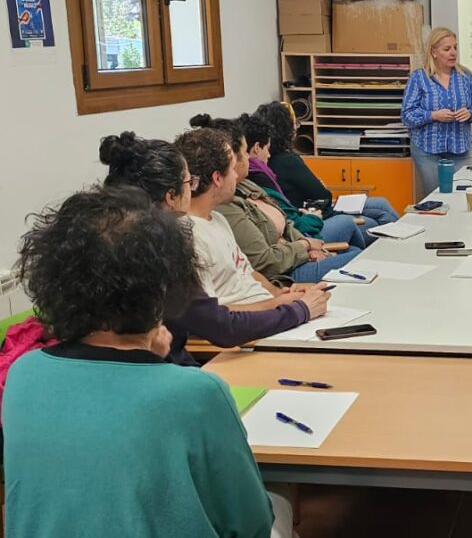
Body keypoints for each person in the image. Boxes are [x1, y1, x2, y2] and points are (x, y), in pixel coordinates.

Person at [2, 186, 285, 536]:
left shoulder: (23, 374)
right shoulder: (197, 392)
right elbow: (250, 523)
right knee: (280, 511)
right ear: (165, 285)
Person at [99, 131, 328, 365]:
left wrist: (283, 297)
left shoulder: (116, 241)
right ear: (171, 197)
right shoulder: (168, 249)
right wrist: (297, 308)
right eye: (190, 182)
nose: (194, 188)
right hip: (213, 351)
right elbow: (219, 325)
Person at [190, 115, 362, 284]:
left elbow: (286, 222)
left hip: (294, 253)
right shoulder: (225, 207)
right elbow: (264, 262)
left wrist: (309, 246)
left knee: (355, 248)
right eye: (244, 152)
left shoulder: (247, 185)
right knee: (358, 257)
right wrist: (305, 246)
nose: (249, 157)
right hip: (286, 272)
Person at [175, 127, 313, 309]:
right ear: (217, 178)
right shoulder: (188, 235)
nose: (235, 175)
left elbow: (248, 272)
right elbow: (211, 314)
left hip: (269, 309)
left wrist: (280, 293)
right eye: (232, 169)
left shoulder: (217, 219)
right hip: (251, 326)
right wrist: (279, 305)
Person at [255, 101, 399, 241]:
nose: (297, 128)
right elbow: (323, 195)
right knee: (375, 221)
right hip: (316, 216)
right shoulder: (287, 160)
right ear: (285, 130)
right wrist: (320, 186)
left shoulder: (266, 161)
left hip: (314, 212)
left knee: (381, 205)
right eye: (295, 124)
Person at [240, 112, 367, 250]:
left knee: (375, 211)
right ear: (257, 148)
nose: (269, 155)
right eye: (267, 149)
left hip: (300, 235)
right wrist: (312, 220)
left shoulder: (260, 175)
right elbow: (290, 225)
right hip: (301, 239)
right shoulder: (260, 178)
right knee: (359, 225)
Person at [401, 26, 472, 195]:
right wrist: (432, 115)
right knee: (437, 199)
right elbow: (407, 115)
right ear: (433, 52)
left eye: (455, 48)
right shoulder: (419, 78)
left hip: (460, 149)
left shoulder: (466, 76)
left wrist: (469, 114)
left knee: (465, 196)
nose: (453, 53)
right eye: (447, 49)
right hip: (427, 151)